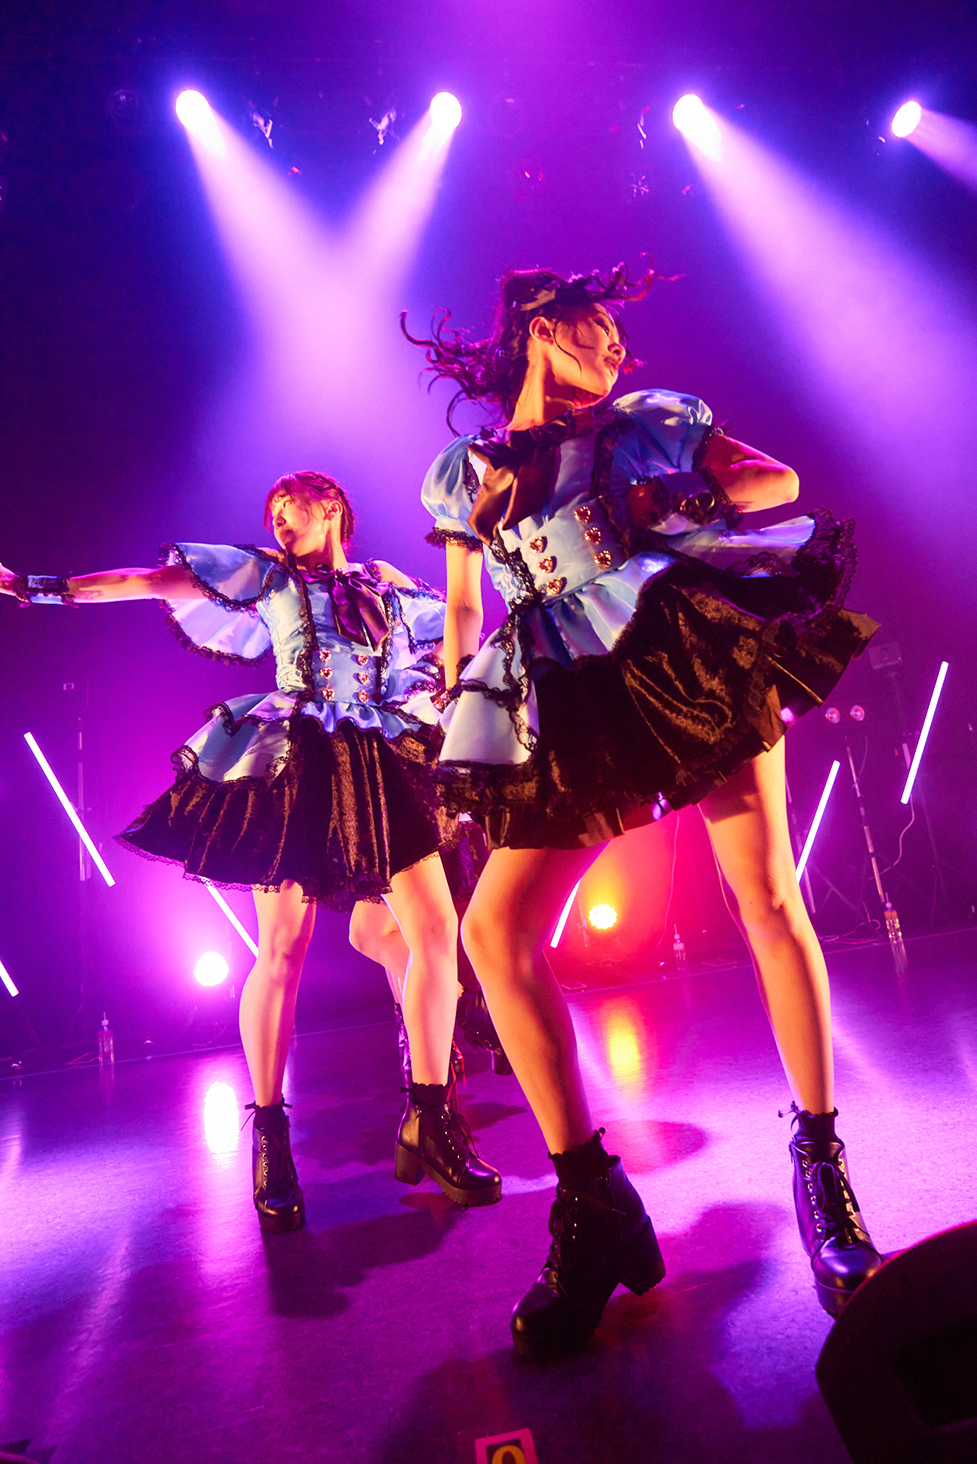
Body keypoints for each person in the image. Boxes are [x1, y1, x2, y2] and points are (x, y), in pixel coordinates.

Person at [406, 263, 883, 1360]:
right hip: (562, 680)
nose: (619, 348)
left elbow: (771, 480)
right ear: (542, 329)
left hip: (676, 642)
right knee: (492, 932)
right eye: (599, 329)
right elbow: (468, 594)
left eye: (622, 336)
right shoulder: (464, 469)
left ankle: (821, 1167)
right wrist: (452, 707)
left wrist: (655, 500)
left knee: (764, 894)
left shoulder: (646, 423)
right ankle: (593, 1201)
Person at [0, 470, 502, 1231]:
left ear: (329, 506)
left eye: (288, 507)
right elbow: (145, 580)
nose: (277, 522)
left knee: (436, 932)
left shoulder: (386, 581)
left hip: (382, 753)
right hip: (299, 759)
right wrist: (28, 588)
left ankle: (429, 1117)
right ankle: (270, 1136)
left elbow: (452, 639)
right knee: (284, 950)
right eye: (270, 514)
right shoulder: (267, 573)